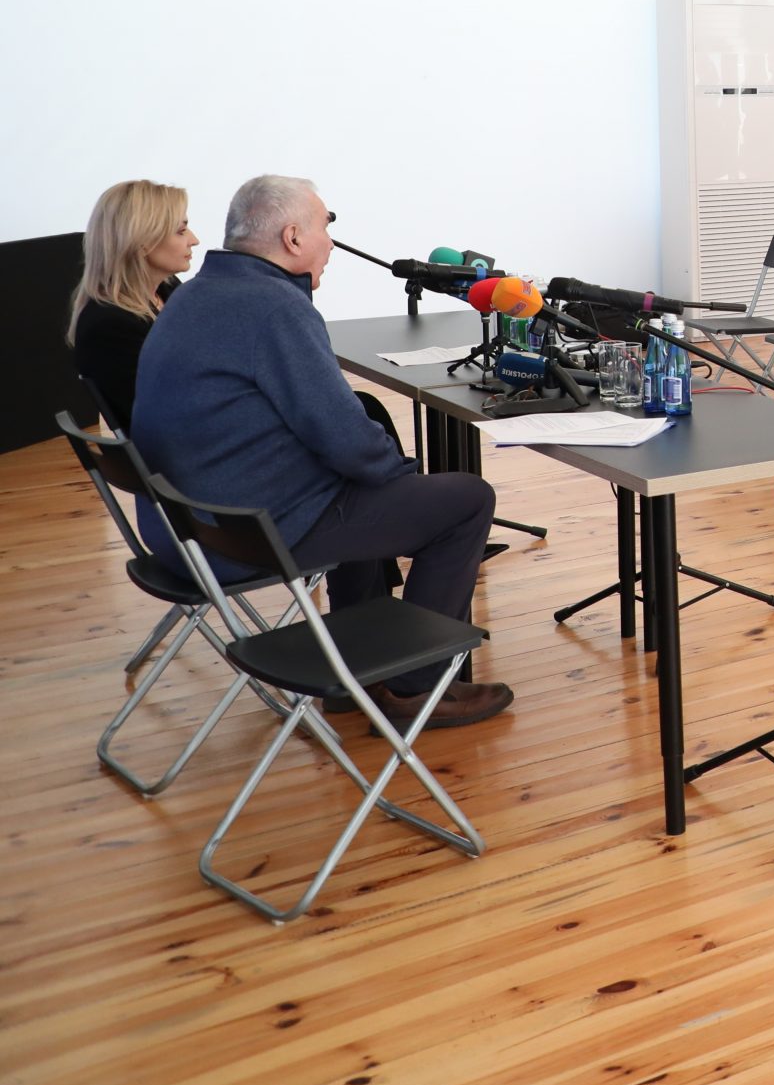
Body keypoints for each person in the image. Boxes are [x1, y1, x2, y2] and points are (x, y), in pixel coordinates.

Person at [130, 176, 510, 728]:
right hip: (240, 534)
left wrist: (382, 476)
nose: (330, 243)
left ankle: (359, 677)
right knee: (465, 501)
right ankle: (415, 687)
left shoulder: (194, 294)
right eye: (324, 227)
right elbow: (346, 437)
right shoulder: (272, 306)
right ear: (292, 238)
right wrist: (400, 476)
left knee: (365, 486)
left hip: (183, 526)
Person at [68, 179, 199, 430]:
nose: (194, 240)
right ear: (142, 242)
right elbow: (163, 414)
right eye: (181, 231)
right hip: (181, 443)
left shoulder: (167, 288)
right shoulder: (109, 325)